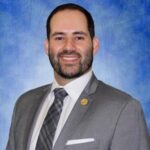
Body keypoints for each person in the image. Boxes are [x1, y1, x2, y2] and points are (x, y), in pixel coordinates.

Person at [6, 3, 150, 150]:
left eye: (79, 37)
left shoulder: (124, 109)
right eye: (59, 37)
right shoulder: (24, 104)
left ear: (94, 45)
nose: (69, 47)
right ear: (47, 46)